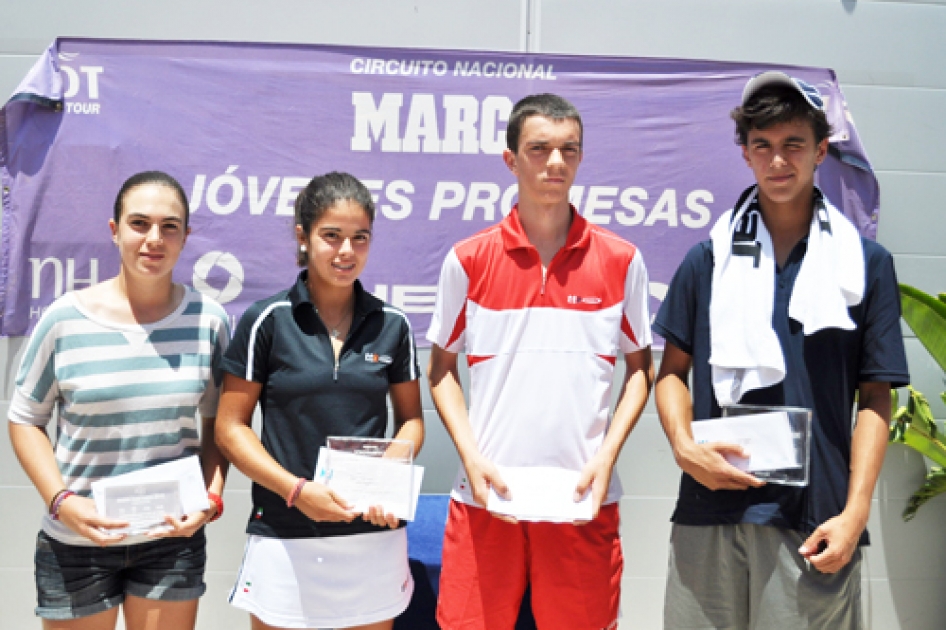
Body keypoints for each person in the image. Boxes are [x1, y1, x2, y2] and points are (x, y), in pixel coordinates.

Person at [654, 71, 910, 630]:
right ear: (744, 154)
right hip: (709, 508)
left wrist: (856, 512)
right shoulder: (708, 259)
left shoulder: (865, 265)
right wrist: (681, 446)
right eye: (762, 146)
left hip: (815, 518)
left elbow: (875, 397)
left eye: (793, 144)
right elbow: (670, 373)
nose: (778, 161)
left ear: (821, 150)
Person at [427, 93, 654, 630]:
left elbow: (641, 370)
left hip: (582, 502)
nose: (555, 163)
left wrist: (607, 456)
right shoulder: (468, 259)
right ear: (511, 160)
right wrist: (471, 456)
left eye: (568, 150)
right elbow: (440, 371)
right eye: (539, 149)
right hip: (487, 501)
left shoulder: (622, 261)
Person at [8, 170, 231, 629]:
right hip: (77, 540)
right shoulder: (63, 320)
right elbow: (25, 419)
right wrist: (60, 500)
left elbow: (220, 425)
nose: (154, 238)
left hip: (171, 538)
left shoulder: (208, 321)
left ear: (186, 237)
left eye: (170, 226)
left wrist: (212, 494)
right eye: (139, 223)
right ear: (114, 231)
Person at [215, 171, 424, 630]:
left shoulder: (393, 324)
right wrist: (295, 490)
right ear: (303, 237)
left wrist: (390, 471)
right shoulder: (266, 319)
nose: (346, 251)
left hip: (371, 534)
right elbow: (230, 428)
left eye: (359, 237)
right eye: (331, 236)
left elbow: (411, 421)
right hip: (286, 530)